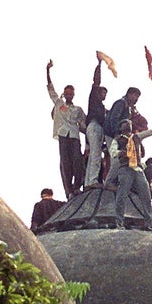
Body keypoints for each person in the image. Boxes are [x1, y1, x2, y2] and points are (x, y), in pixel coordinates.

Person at [108, 104, 152, 230]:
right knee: (122, 195)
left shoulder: (137, 137)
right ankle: (119, 222)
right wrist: (121, 153)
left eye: (129, 123)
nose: (128, 124)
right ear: (121, 128)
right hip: (125, 169)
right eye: (125, 123)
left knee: (146, 196)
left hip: (138, 169)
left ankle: (148, 223)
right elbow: (113, 152)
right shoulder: (118, 139)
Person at [46, 59, 86, 198]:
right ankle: (69, 190)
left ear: (73, 94)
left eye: (71, 93)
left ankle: (76, 187)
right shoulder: (60, 105)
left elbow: (84, 125)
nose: (69, 95)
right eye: (67, 93)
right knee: (65, 163)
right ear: (64, 93)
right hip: (63, 135)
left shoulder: (78, 109)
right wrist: (48, 71)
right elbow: (51, 91)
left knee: (77, 161)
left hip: (74, 136)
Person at [103, 87, 142, 186]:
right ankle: (108, 183)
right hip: (112, 134)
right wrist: (117, 134)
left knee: (119, 159)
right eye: (135, 96)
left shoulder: (126, 106)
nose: (136, 99)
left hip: (115, 135)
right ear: (129, 94)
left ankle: (112, 182)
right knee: (116, 159)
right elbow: (114, 118)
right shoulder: (121, 103)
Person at [84, 53, 108, 189]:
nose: (103, 95)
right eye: (102, 92)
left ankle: (89, 182)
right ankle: (92, 181)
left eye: (105, 93)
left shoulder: (102, 107)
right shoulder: (94, 99)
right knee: (96, 155)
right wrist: (99, 65)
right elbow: (96, 81)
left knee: (94, 155)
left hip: (96, 127)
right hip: (94, 126)